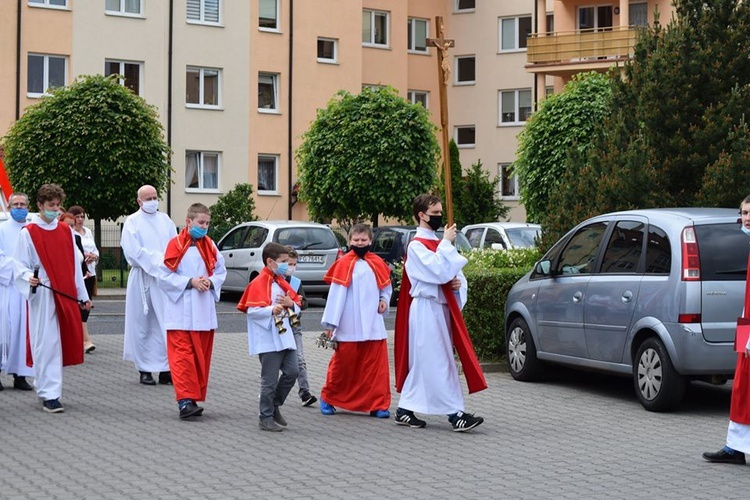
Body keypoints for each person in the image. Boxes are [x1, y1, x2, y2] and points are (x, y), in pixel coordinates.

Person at [393, 194, 487, 432]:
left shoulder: (437, 243)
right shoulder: (416, 246)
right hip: (426, 309)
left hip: (441, 309)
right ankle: (455, 414)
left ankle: (404, 410)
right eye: (434, 214)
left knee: (428, 361)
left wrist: (457, 285)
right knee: (438, 360)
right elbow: (437, 271)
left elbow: (452, 274)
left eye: (440, 213)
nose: (439, 218)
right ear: (421, 215)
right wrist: (445, 244)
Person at [13, 184, 91, 412]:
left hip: (65, 292)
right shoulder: (28, 232)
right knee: (45, 343)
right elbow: (19, 264)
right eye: (50, 206)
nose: (55, 210)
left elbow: (75, 267)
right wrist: (29, 277)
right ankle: (49, 393)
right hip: (44, 293)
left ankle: (48, 388)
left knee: (58, 343)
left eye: (58, 206)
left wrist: (82, 296)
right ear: (39, 206)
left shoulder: (66, 231)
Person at [158, 203, 226, 419]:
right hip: (181, 312)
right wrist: (190, 282)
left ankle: (193, 398)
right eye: (201, 223)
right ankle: (185, 401)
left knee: (199, 358)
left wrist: (210, 281)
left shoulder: (210, 246)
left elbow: (221, 271)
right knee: (182, 358)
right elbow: (164, 276)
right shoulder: (174, 245)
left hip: (203, 311)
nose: (204, 227)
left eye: (207, 223)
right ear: (188, 222)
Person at [319, 223, 392, 418]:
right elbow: (336, 296)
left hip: (373, 323)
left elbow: (385, 287)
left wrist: (384, 300)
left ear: (370, 241)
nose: (360, 243)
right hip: (347, 323)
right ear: (349, 241)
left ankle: (378, 404)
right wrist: (331, 325)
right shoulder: (343, 264)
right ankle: (329, 397)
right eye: (356, 240)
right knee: (343, 364)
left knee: (376, 368)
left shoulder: (377, 262)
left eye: (364, 240)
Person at [702, 195, 750, 464]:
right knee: (742, 386)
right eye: (744, 213)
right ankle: (735, 445)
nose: (747, 218)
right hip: (747, 323)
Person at [237, 242, 301, 432]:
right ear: (270, 261)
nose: (286, 265)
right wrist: (271, 309)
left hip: (284, 336)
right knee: (269, 380)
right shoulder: (257, 282)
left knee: (293, 372)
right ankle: (265, 416)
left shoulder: (281, 281)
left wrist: (291, 303)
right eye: (283, 262)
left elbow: (296, 304)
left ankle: (274, 405)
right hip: (267, 338)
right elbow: (252, 310)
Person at [121, 185, 177, 386]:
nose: (153, 201)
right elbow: (133, 252)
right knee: (142, 323)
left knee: (165, 322)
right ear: (139, 201)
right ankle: (144, 369)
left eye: (155, 197)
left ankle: (165, 369)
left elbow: (175, 246)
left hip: (164, 278)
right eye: (148, 198)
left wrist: (167, 265)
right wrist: (160, 262)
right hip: (143, 278)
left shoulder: (165, 220)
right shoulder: (132, 222)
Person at [0, 192, 34, 392]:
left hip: (27, 290)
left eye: (23, 204)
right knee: (4, 331)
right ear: (9, 206)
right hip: (6, 287)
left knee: (24, 332)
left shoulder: (32, 230)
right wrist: (18, 268)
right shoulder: (2, 229)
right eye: (16, 204)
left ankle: (20, 375)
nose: (19, 208)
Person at [284, 247, 317, 407]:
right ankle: (268, 390)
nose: (292, 267)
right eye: (289, 263)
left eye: (294, 264)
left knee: (300, 360)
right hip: (278, 325)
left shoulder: (296, 283)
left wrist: (296, 302)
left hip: (294, 324)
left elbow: (305, 303)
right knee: (275, 362)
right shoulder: (272, 281)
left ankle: (305, 392)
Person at [68, 205, 98, 353]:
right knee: (79, 306)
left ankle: (83, 338)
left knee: (86, 305)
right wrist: (82, 256)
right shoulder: (70, 232)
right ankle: (85, 340)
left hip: (89, 273)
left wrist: (94, 256)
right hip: (77, 274)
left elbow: (95, 250)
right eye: (77, 217)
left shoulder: (88, 232)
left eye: (82, 216)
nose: (80, 219)